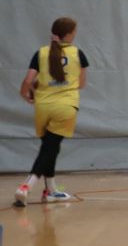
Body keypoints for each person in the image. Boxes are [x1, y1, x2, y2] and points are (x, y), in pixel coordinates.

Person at [15, 16, 86, 207]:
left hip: (43, 106)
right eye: (74, 31)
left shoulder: (41, 53)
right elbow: (81, 84)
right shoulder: (77, 53)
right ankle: (26, 186)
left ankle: (51, 191)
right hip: (65, 106)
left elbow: (28, 81)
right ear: (68, 34)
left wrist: (25, 95)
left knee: (50, 148)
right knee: (50, 149)